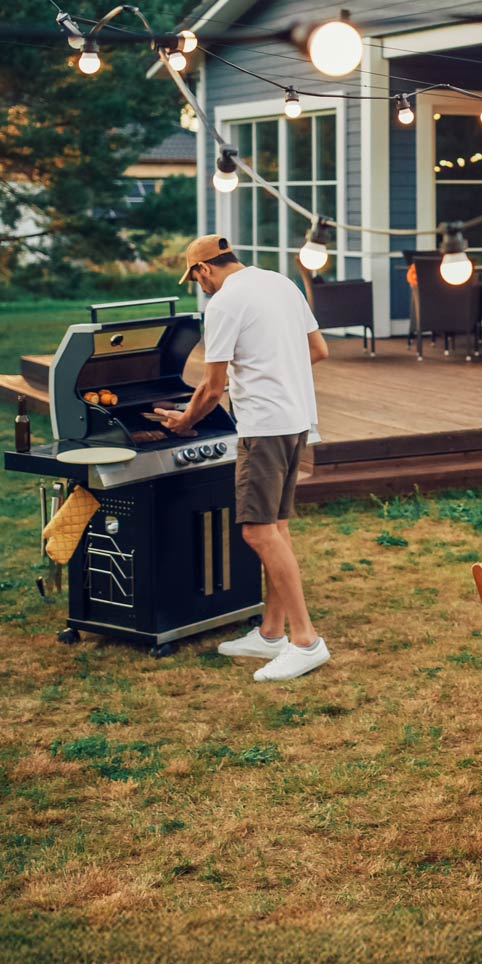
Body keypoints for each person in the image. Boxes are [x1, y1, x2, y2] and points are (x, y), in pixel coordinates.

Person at [155, 235, 333, 681]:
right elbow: (318, 350)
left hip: (264, 428)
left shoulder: (223, 304)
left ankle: (305, 641)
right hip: (296, 422)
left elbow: (211, 387)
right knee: (277, 527)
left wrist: (182, 422)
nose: (201, 287)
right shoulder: (281, 283)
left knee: (257, 532)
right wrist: (273, 375)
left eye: (196, 279)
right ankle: (271, 633)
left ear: (203, 270)